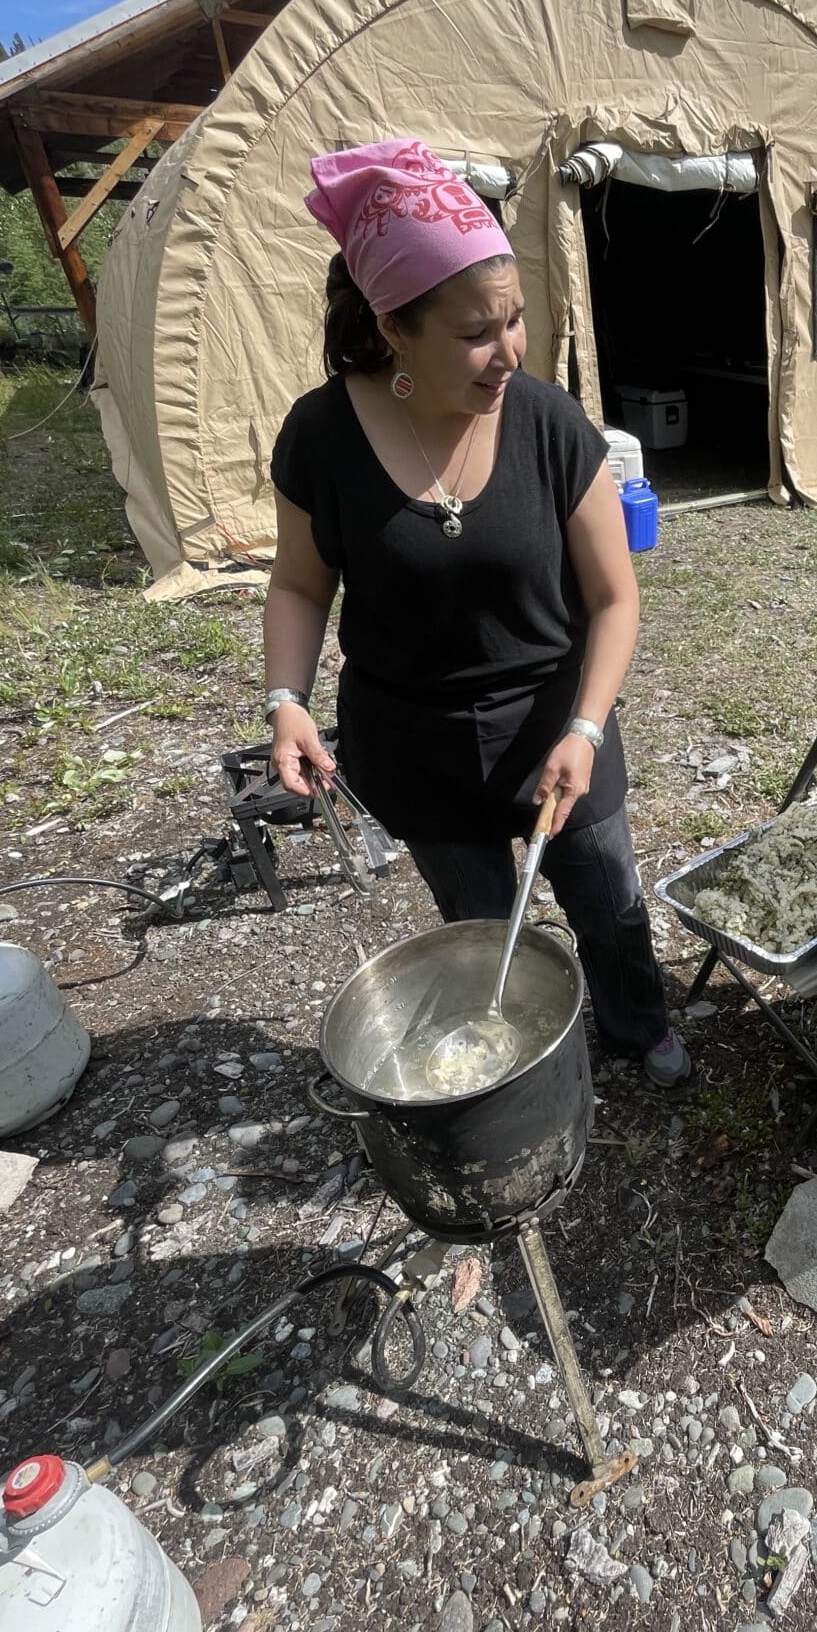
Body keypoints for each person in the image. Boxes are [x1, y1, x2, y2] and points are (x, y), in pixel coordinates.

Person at [263, 137, 689, 1085]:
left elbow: (616, 599)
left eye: (517, 321)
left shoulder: (548, 421)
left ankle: (636, 1020)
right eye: (475, 333)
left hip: (557, 720)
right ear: (392, 328)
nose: (508, 353)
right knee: (480, 929)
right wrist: (284, 698)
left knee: (607, 894)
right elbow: (299, 584)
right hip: (414, 739)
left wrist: (585, 725)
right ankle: (522, 1068)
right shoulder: (322, 435)